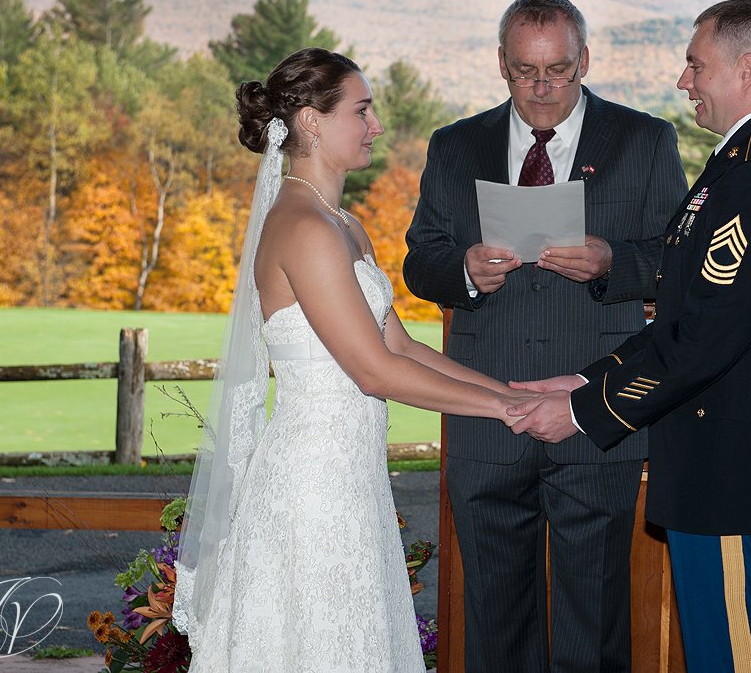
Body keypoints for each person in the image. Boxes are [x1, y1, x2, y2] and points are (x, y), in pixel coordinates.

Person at [509, 0, 751, 672]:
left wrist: (584, 411)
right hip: (730, 452)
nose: (684, 81)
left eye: (696, 66)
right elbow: (687, 311)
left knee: (742, 659)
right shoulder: (743, 165)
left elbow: (703, 339)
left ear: (746, 69)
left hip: (741, 463)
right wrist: (588, 377)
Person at [174, 48, 540, 672]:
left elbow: (401, 345)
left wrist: (510, 389)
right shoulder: (304, 228)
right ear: (313, 122)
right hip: (313, 484)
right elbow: (371, 369)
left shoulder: (343, 223)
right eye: (362, 110)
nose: (375, 125)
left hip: (351, 478)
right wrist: (505, 410)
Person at [403, 0, 687, 672]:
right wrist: (464, 271)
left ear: (584, 60)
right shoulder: (454, 145)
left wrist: (614, 261)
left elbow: (680, 260)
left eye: (558, 70)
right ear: (501, 63)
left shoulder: (645, 141)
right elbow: (420, 260)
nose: (541, 87)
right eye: (525, 71)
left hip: (597, 414)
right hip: (484, 419)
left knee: (594, 626)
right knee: (495, 628)